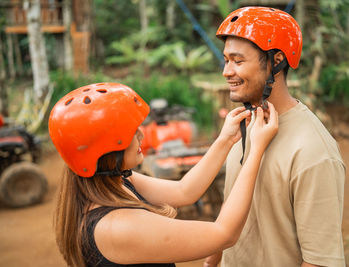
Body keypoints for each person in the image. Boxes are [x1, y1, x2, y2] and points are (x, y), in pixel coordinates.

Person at [49, 82, 278, 267]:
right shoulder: (115, 227)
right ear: (105, 149)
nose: (141, 134)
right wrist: (256, 150)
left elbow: (184, 190)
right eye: (130, 132)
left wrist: (226, 138)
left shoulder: (114, 182)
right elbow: (224, 234)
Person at [204, 6, 346, 267]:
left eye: (238, 61)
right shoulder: (243, 127)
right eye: (226, 60)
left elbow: (320, 261)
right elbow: (230, 209)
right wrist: (209, 263)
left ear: (277, 60)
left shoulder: (313, 151)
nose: (226, 71)